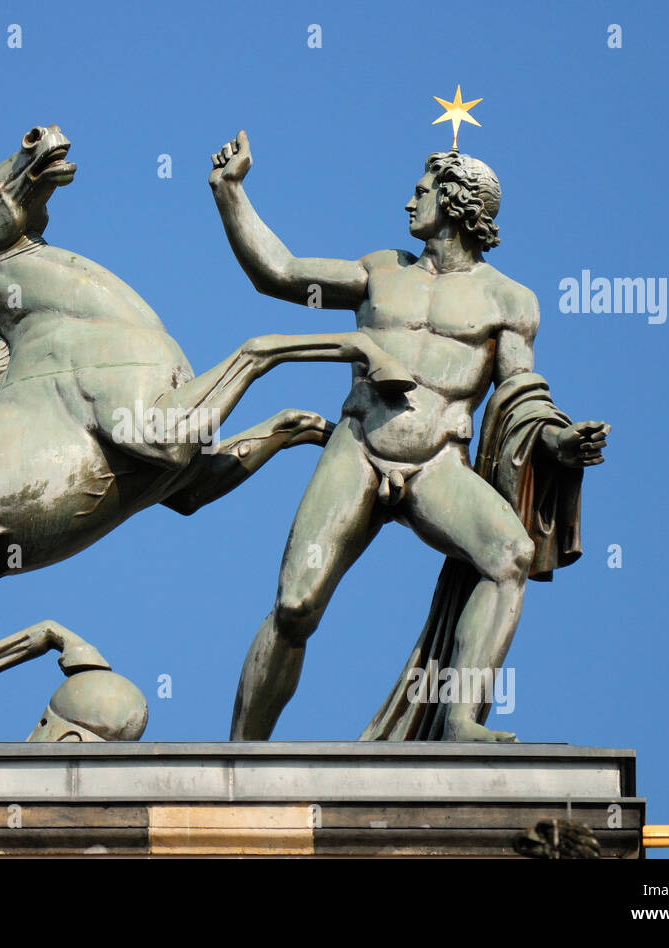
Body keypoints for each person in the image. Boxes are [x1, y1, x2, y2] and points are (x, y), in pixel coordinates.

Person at [209, 130, 609, 741]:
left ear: (455, 200)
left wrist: (558, 443)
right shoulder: (381, 271)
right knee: (295, 606)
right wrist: (230, 191)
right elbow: (280, 272)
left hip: (438, 462)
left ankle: (460, 721)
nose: (409, 201)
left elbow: (519, 398)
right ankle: (242, 755)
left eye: (422, 191)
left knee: (510, 556)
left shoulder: (510, 300)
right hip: (360, 445)